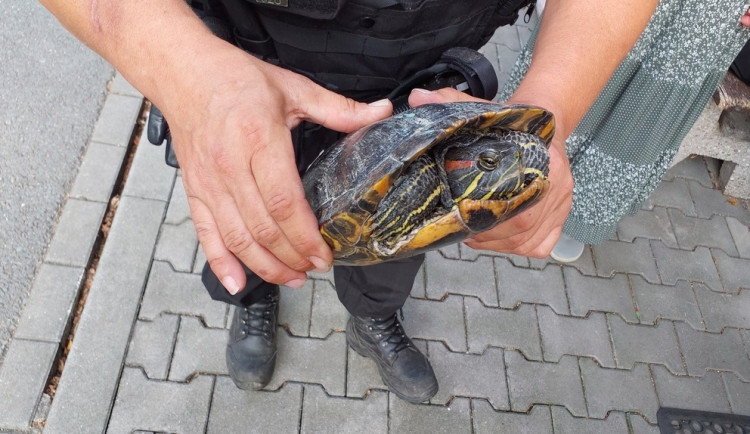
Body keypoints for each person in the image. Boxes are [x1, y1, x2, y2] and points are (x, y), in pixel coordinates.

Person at [39, 0, 658, 403]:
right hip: (241, 62)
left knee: (399, 239)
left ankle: (372, 319)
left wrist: (548, 109)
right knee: (255, 217)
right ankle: (255, 299)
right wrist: (180, 64)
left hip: (415, 78)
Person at [534, 1, 750, 263]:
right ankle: (524, 164)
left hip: (712, 14)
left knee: (647, 111)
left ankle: (577, 216)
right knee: (595, 47)